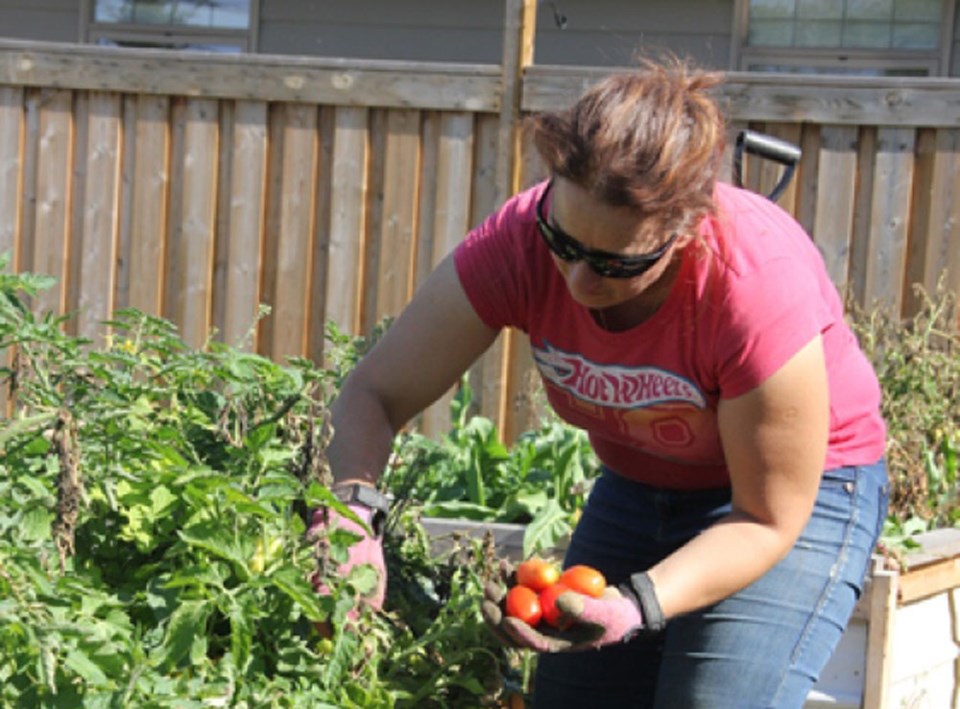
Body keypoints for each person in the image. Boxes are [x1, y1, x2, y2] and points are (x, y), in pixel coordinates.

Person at [311, 56, 889, 708]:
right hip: (644, 482)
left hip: (798, 494)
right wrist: (350, 513)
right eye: (564, 241)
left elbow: (765, 519)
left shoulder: (751, 283)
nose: (579, 283)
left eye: (617, 263)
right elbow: (374, 393)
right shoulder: (518, 243)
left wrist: (635, 603)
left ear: (684, 230)